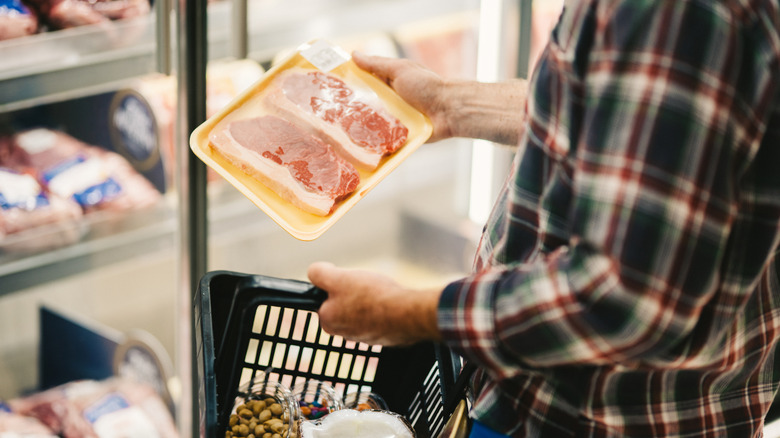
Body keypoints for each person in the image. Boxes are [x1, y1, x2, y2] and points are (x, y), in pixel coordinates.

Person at [307, 1, 780, 436]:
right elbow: (628, 118)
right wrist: (450, 103)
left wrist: (404, 313)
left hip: (599, 417)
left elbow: (622, 296)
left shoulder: (675, 12)